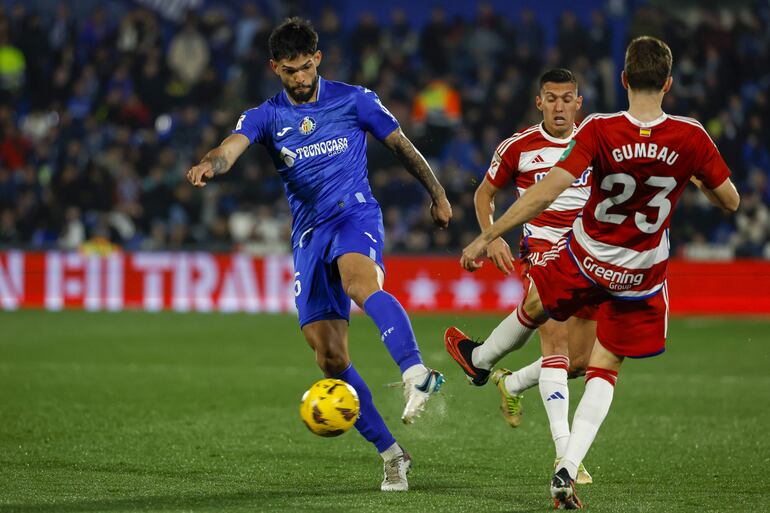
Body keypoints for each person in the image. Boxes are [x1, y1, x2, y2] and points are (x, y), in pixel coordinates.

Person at [446, 36, 739, 509]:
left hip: (587, 256)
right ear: (669, 83)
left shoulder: (601, 129)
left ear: (622, 80)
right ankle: (566, 466)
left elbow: (543, 193)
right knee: (604, 367)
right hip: (642, 273)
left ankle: (483, 364)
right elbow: (730, 201)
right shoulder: (692, 136)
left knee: (540, 309)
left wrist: (485, 237)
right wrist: (696, 177)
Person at [186, 18, 453, 492]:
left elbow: (401, 145)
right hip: (309, 235)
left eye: (307, 67)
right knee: (330, 358)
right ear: (275, 68)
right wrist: (212, 163)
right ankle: (393, 454)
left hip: (354, 215)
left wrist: (436, 193)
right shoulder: (265, 115)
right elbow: (232, 147)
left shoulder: (355, 99)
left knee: (359, 283)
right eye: (291, 71)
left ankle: (415, 372)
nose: (302, 78)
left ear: (319, 58)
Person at [445, 68, 595, 485]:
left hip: (591, 257)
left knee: (581, 362)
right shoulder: (519, 147)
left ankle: (501, 378)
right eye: (552, 98)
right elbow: (484, 195)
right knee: (556, 346)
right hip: (545, 254)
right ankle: (567, 457)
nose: (560, 106)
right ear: (539, 102)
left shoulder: (596, 142)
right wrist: (491, 239)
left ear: (579, 103)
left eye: (568, 98)